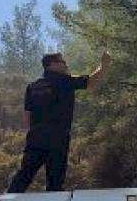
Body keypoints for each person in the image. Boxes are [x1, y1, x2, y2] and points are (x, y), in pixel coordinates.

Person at [7, 50, 111, 193]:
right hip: (57, 137)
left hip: (35, 137)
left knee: (24, 175)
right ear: (53, 65)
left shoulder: (33, 86)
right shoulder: (64, 80)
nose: (66, 65)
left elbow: (27, 116)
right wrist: (104, 65)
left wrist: (34, 135)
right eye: (63, 62)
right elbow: (91, 82)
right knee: (55, 181)